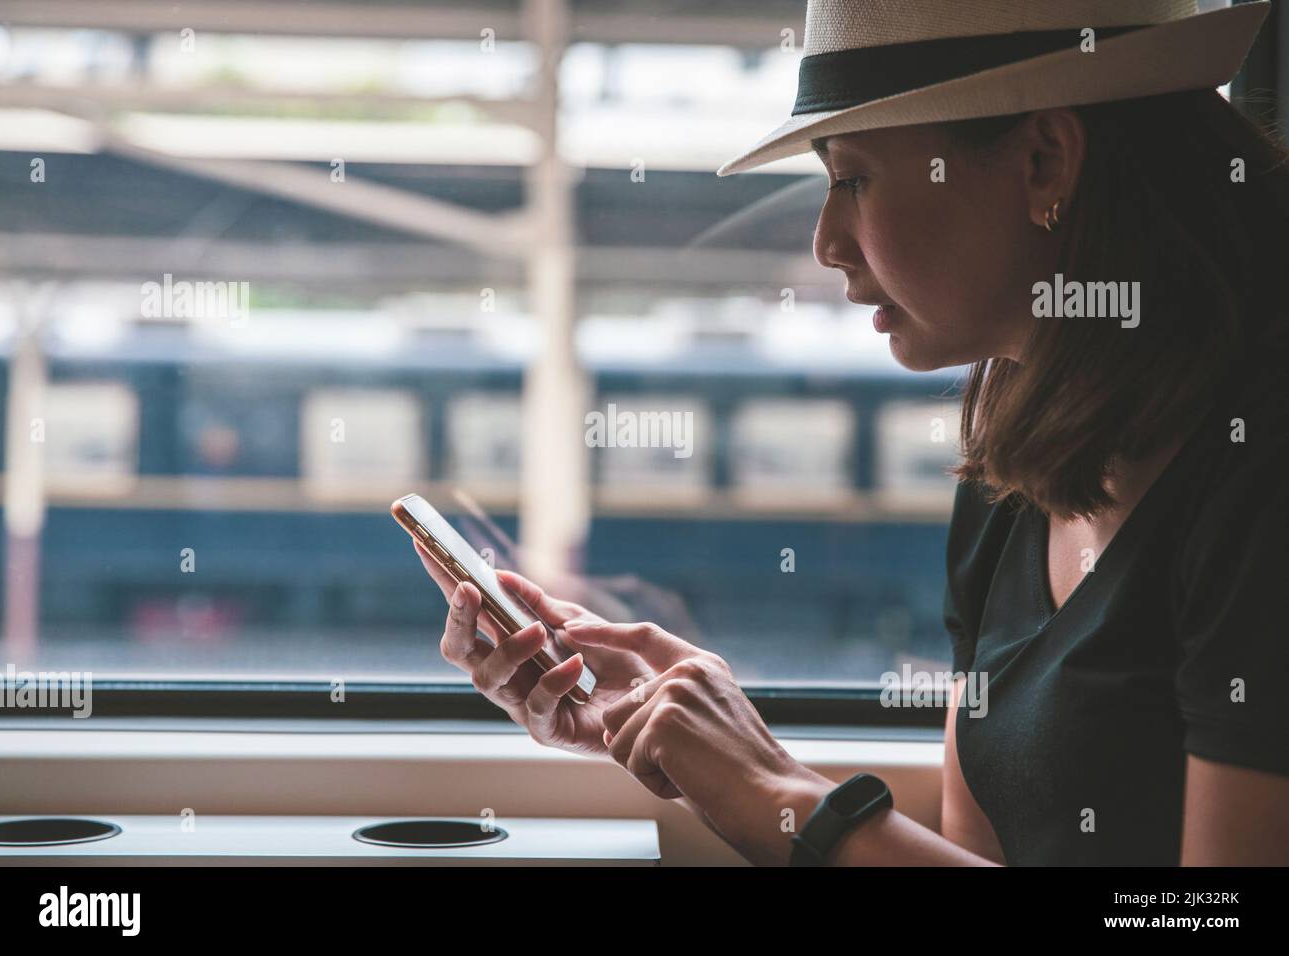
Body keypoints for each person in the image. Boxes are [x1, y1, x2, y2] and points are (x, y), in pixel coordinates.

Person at [417, 0, 1289, 865]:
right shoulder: (1013, 479)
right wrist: (701, 741)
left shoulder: (1263, 482)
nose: (827, 241)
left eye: (853, 178)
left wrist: (779, 793)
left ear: (1043, 161)